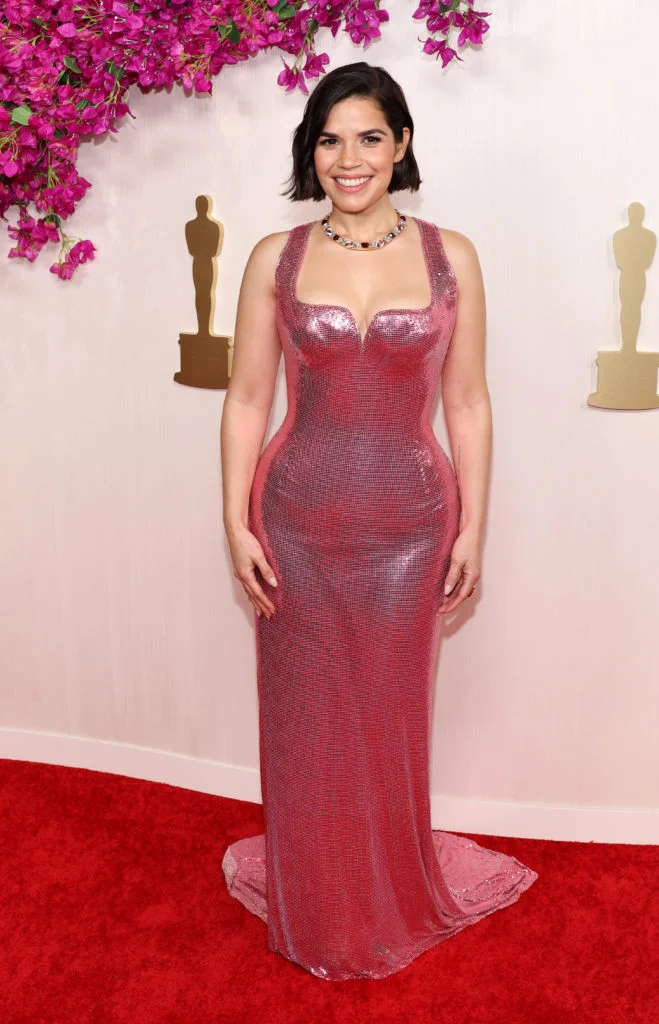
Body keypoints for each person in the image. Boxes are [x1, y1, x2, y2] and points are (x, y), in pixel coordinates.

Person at [220, 61, 538, 981]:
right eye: (328, 139)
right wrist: (234, 521)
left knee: (388, 718)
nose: (347, 159)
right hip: (295, 522)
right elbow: (246, 399)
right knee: (306, 719)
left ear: (401, 145)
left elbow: (469, 403)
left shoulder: (452, 256)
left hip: (410, 524)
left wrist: (474, 526)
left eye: (368, 137)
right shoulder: (272, 259)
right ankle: (318, 902)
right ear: (308, 152)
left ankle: (386, 885)